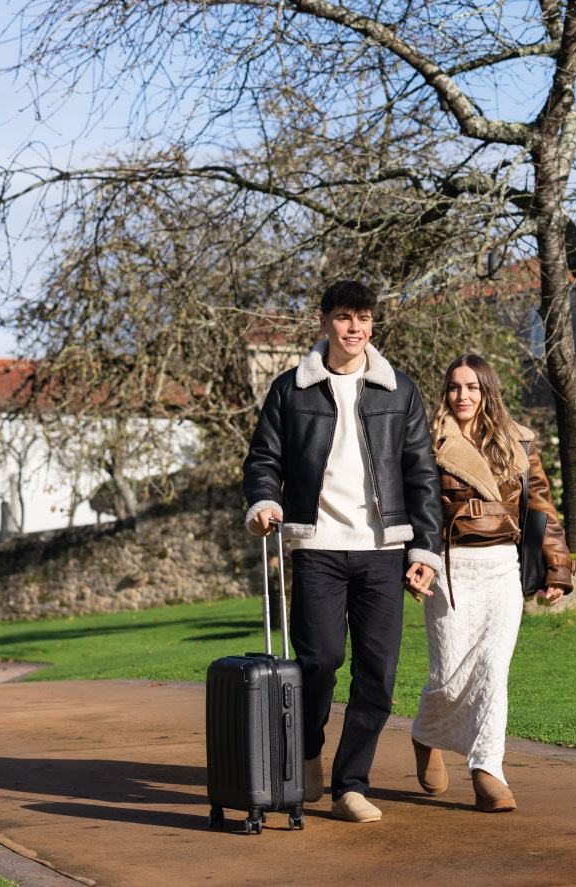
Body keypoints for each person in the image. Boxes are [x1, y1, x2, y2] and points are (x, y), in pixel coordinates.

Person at [242, 280, 442, 824]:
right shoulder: (291, 389)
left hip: (382, 549)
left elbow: (421, 475)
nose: (356, 328)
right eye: (345, 317)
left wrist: (425, 549)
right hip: (317, 546)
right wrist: (264, 501)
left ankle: (350, 784)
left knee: (377, 673)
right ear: (326, 321)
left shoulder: (399, 390)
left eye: (365, 318)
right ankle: (308, 752)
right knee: (320, 661)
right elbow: (264, 460)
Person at [410, 353, 571, 813]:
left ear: (487, 391)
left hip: (503, 565)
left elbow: (540, 505)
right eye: (455, 387)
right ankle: (425, 732)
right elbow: (415, 507)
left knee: (492, 671)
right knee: (449, 673)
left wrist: (557, 566)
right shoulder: (427, 441)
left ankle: (487, 770)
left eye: (472, 387)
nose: (463, 396)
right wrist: (414, 560)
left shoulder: (518, 442)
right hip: (450, 566)